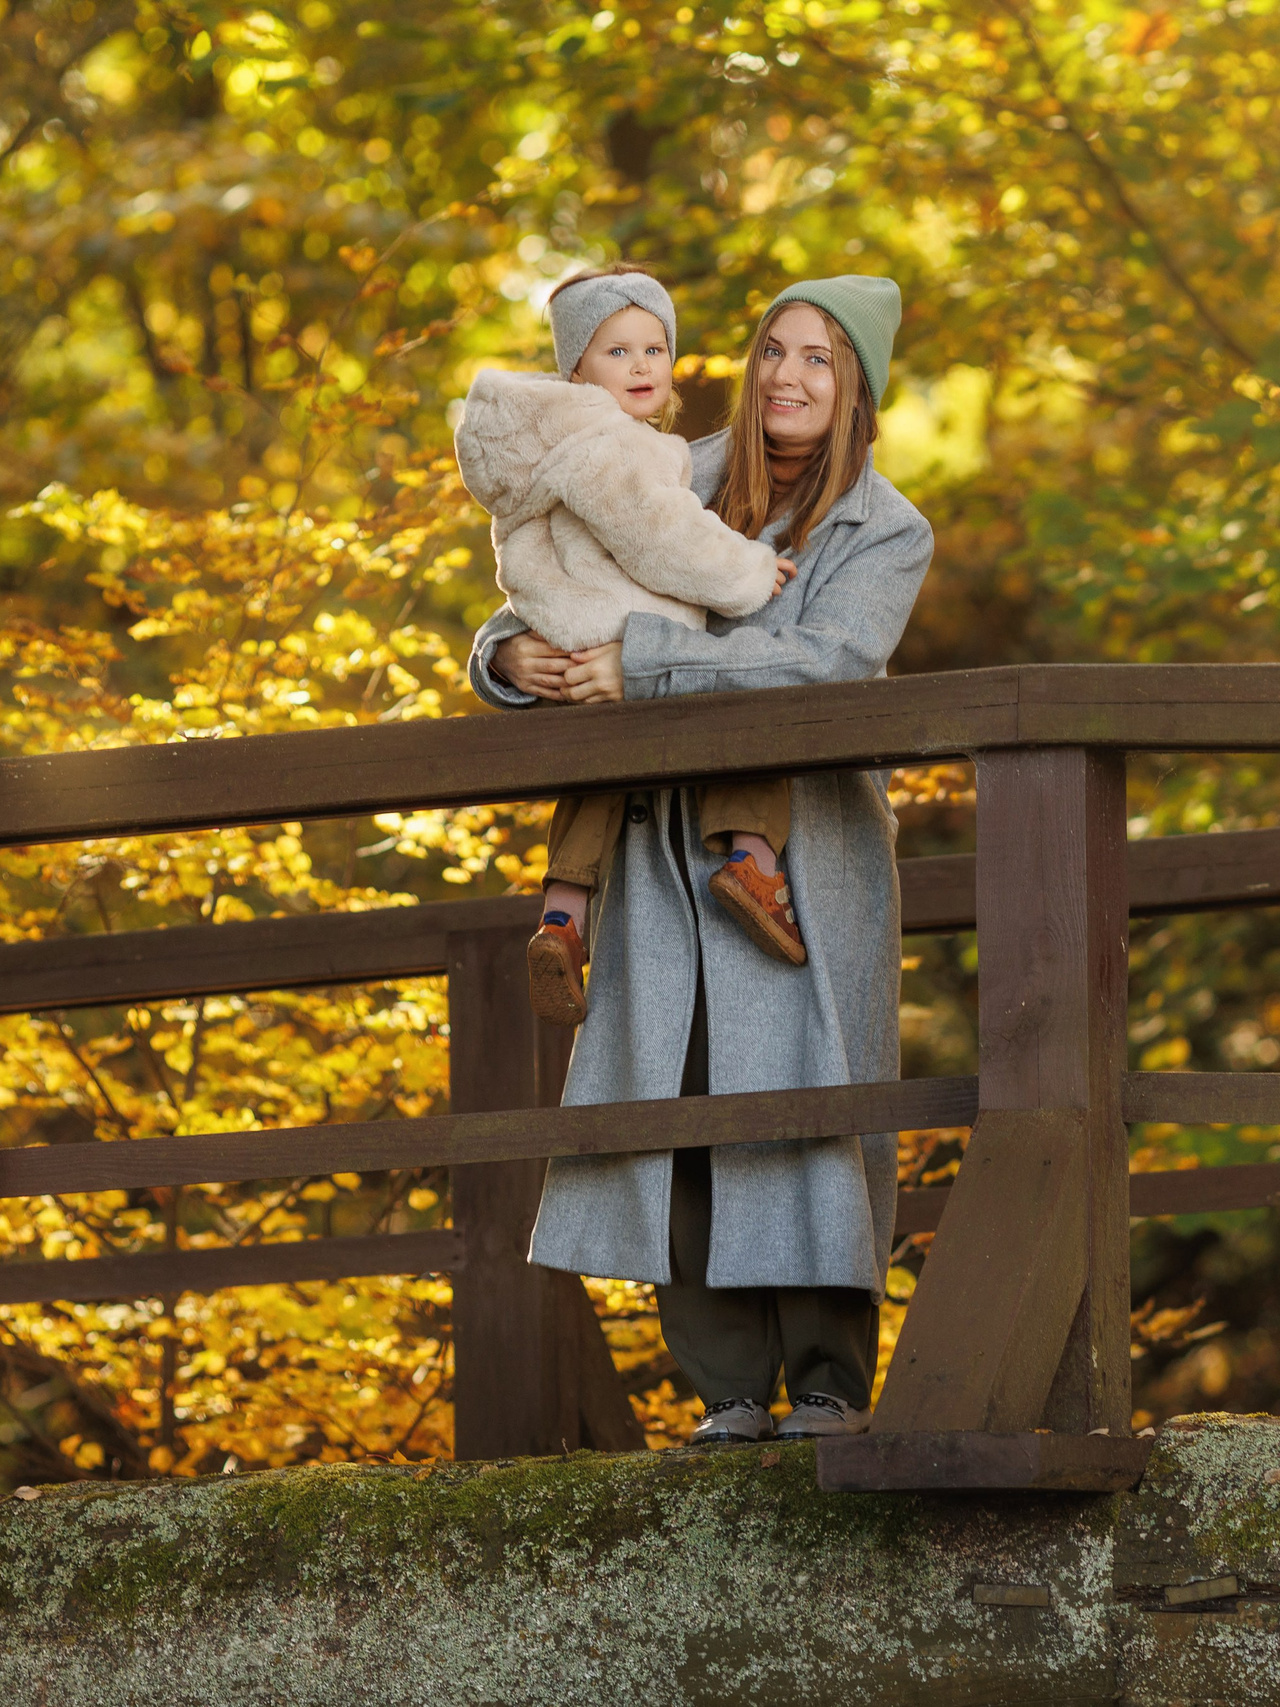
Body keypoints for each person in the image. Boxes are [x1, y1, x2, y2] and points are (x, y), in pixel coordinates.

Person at [467, 275, 930, 1445]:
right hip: (655, 844)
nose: (787, 376)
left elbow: (825, 664)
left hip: (802, 861)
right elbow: (554, 546)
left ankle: (825, 1382)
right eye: (774, 350)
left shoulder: (888, 529)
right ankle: (725, 1390)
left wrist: (650, 664)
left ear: (858, 386)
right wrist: (509, 656)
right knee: (675, 1096)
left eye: (819, 359)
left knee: (810, 1103)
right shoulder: (668, 459)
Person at [452, 265, 804, 1030]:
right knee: (742, 720)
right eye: (617, 352)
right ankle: (754, 863)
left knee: (595, 780)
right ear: (574, 368)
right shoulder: (615, 449)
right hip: (630, 634)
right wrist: (748, 570)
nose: (642, 366)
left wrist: (523, 642)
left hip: (573, 629)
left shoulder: (545, 449)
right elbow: (665, 538)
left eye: (654, 349)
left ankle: (562, 916)